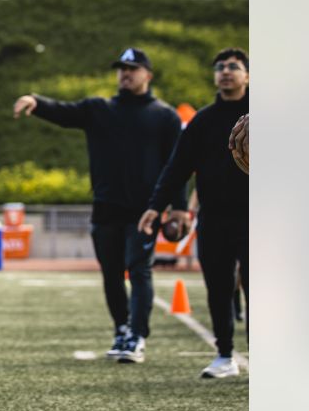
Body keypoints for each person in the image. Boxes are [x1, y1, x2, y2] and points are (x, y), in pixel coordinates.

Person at [13, 47, 185, 364]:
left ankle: (137, 336)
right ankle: (121, 329)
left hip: (144, 210)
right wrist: (36, 102)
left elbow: (178, 166)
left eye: (132, 68)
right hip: (106, 207)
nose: (125, 73)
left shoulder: (165, 116)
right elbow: (65, 112)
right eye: (121, 68)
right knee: (110, 274)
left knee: (139, 270)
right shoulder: (100, 108)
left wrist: (178, 206)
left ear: (148, 74)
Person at [139, 48, 250, 379]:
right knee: (217, 286)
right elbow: (177, 168)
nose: (225, 71)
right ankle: (225, 355)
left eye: (233, 66)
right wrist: (155, 207)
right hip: (214, 216)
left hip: (257, 216)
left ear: (247, 75)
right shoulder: (203, 120)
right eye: (219, 67)